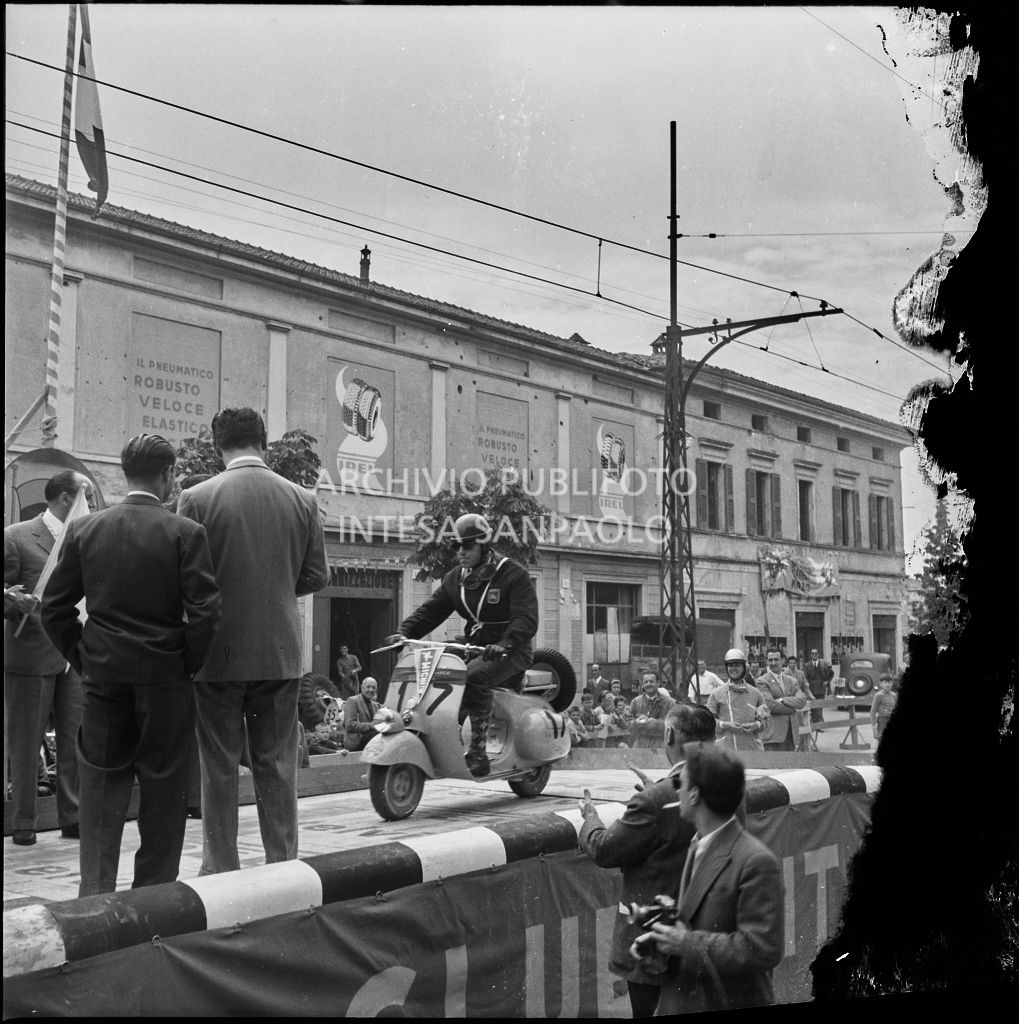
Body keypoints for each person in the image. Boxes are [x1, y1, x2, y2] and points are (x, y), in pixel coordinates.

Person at [41, 435, 221, 896]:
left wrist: (84, 658)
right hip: (166, 679)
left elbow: (54, 609)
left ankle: (96, 897)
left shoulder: (86, 531)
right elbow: (204, 613)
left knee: (100, 786)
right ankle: (155, 899)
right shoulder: (186, 533)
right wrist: (186, 663)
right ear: (167, 476)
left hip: (102, 677)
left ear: (124, 473)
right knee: (164, 791)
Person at [177, 407, 329, 874]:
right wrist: (277, 587)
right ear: (263, 441)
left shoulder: (195, 497)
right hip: (280, 651)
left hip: (216, 655)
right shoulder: (302, 498)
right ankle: (283, 864)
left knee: (219, 765)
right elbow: (317, 575)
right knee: (277, 764)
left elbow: (185, 581)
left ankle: (221, 867)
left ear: (217, 444)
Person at [578, 703, 718, 1018]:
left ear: (668, 734)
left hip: (652, 941)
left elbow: (604, 850)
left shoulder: (654, 801)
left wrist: (590, 819)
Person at [634, 743, 784, 1014]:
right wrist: (662, 940)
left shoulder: (755, 861)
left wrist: (686, 944)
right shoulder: (699, 844)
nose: (675, 790)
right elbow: (699, 920)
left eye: (680, 783)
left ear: (694, 795)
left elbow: (764, 948)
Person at [388, 513, 538, 777]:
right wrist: (403, 632)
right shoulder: (456, 579)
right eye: (457, 546)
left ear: (484, 545)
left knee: (474, 677)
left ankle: (479, 754)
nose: (461, 552)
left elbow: (526, 620)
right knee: (438, 661)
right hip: (476, 644)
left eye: (467, 546)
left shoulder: (513, 574)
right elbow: (431, 611)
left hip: (511, 649)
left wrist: (505, 644)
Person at [4, 469, 95, 846]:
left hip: (74, 654)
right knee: (26, 741)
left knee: (76, 738)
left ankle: (72, 817)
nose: (91, 505)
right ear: (64, 499)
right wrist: (11, 599)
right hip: (30, 654)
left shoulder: (86, 536)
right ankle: (23, 822)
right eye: (85, 496)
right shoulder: (15, 537)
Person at [707, 649, 769, 752]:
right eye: (730, 665)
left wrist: (756, 725)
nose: (733, 669)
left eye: (737, 665)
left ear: (744, 667)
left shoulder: (756, 694)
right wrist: (724, 725)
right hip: (725, 752)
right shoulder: (716, 694)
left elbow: (766, 721)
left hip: (752, 750)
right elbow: (708, 722)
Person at [757, 650, 809, 752]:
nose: (773, 663)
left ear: (782, 661)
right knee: (772, 766)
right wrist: (791, 709)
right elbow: (770, 705)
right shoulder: (762, 681)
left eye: (776, 660)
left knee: (790, 767)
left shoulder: (792, 681)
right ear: (767, 662)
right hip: (773, 736)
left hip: (791, 734)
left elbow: (802, 700)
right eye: (770, 660)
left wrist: (782, 699)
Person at [628, 673, 674, 748]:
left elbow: (674, 726)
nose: (648, 684)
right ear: (642, 684)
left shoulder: (669, 702)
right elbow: (627, 723)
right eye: (646, 682)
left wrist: (656, 723)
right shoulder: (636, 702)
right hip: (640, 745)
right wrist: (636, 722)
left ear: (658, 683)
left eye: (651, 681)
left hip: (661, 745)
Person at [342, 676, 381, 752]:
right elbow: (349, 725)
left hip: (370, 740)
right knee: (379, 733)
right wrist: (370, 725)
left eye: (373, 688)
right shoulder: (352, 701)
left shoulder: (375, 705)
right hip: (357, 741)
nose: (371, 690)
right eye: (368, 687)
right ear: (362, 687)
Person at [804, 647, 834, 731]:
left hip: (821, 688)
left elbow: (831, 673)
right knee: (813, 707)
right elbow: (805, 677)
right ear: (810, 655)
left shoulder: (824, 664)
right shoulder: (807, 665)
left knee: (820, 707)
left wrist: (827, 681)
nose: (814, 655)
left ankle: (820, 725)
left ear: (818, 655)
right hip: (812, 689)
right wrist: (806, 687)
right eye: (812, 653)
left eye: (816, 653)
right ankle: (813, 724)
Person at [870, 673, 898, 742]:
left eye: (889, 682)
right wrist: (874, 727)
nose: (888, 684)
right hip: (882, 721)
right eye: (885, 682)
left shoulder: (894, 695)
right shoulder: (878, 695)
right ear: (881, 684)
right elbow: (873, 711)